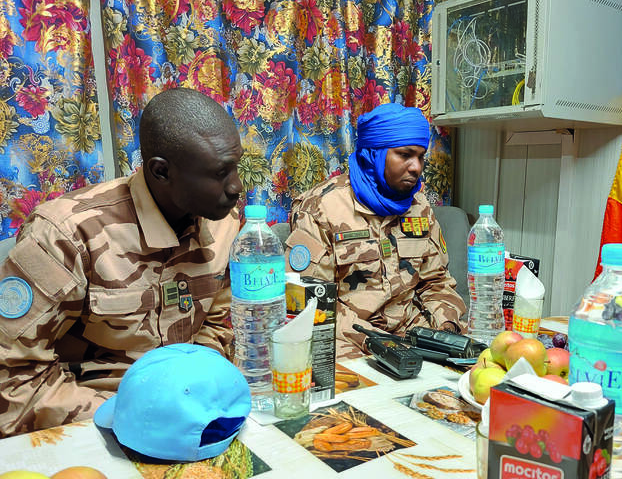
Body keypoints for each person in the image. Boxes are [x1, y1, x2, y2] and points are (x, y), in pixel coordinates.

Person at [0, 87, 243, 436]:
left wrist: (197, 392)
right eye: (220, 173)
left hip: (187, 419)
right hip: (93, 422)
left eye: (236, 167)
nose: (236, 187)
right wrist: (128, 418)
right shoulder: (66, 236)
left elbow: (217, 325)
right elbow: (12, 376)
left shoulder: (223, 225)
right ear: (161, 172)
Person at [285, 102, 466, 358]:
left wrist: (445, 328)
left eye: (421, 156)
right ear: (373, 154)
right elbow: (311, 300)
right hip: (348, 337)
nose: (416, 167)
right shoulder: (322, 208)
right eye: (405, 154)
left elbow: (436, 282)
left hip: (411, 332)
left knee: (478, 365)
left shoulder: (419, 207)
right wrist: (379, 343)